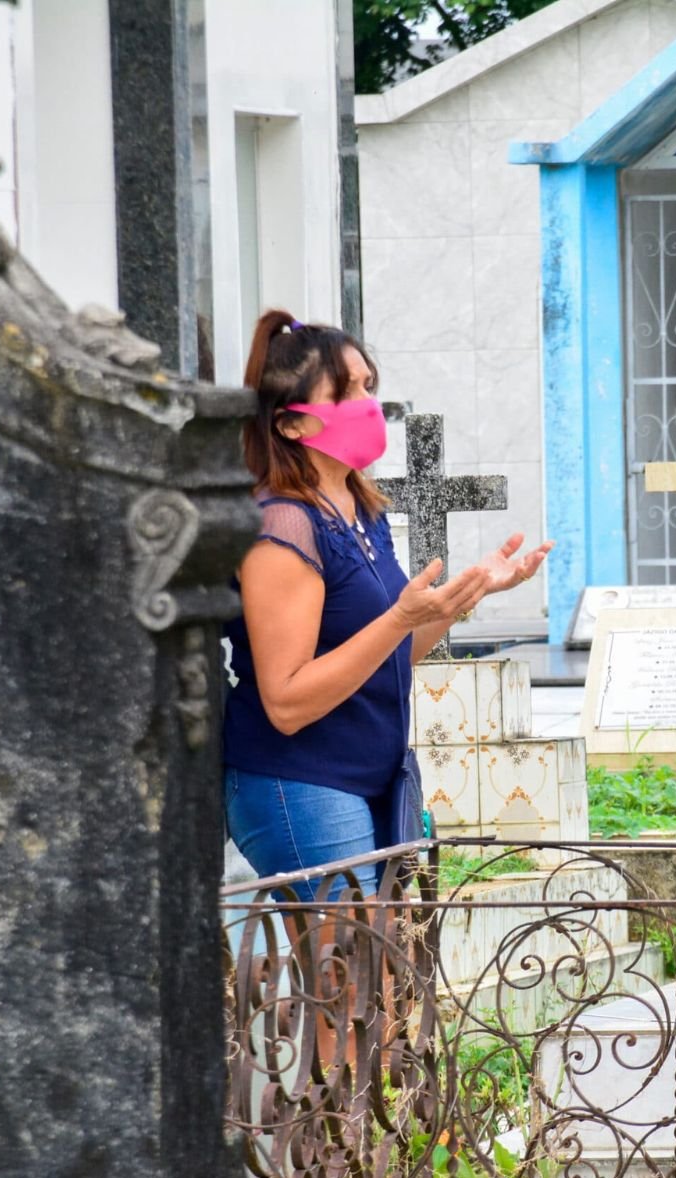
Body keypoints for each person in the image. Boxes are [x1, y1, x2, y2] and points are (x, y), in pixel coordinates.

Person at [222, 310, 552, 899]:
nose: (368, 404)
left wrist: (460, 599)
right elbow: (288, 702)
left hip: (375, 777)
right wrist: (401, 616)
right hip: (301, 781)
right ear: (291, 424)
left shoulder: (359, 508)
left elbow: (389, 655)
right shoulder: (284, 524)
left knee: (387, 979)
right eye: (345, 392)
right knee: (349, 980)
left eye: (369, 386)